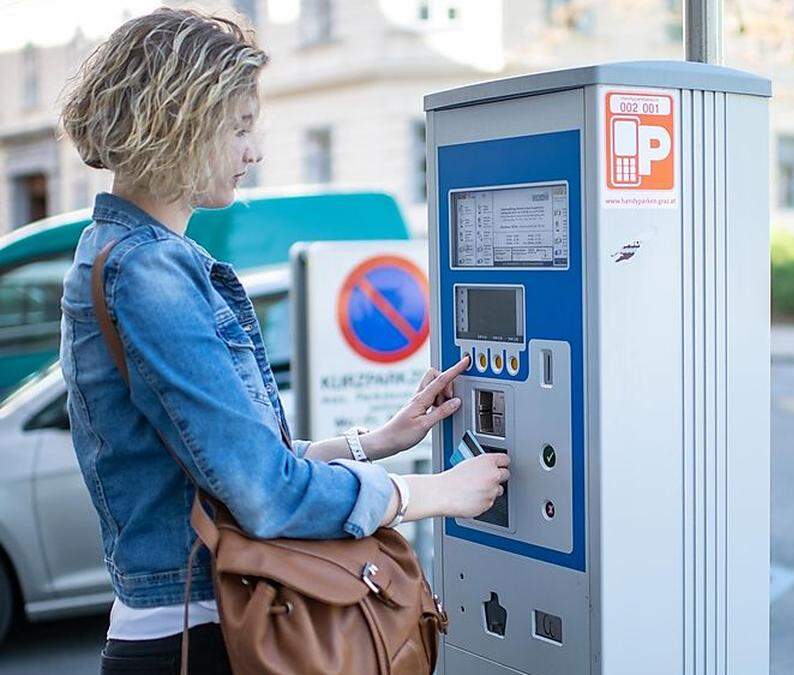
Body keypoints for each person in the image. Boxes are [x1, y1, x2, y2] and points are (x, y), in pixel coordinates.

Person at [57, 9, 508, 674]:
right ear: (179, 120)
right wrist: (434, 492)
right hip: (204, 638)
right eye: (239, 126)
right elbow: (264, 492)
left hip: (195, 626)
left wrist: (375, 440)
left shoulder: (121, 255)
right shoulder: (146, 271)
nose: (254, 151)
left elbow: (222, 463)